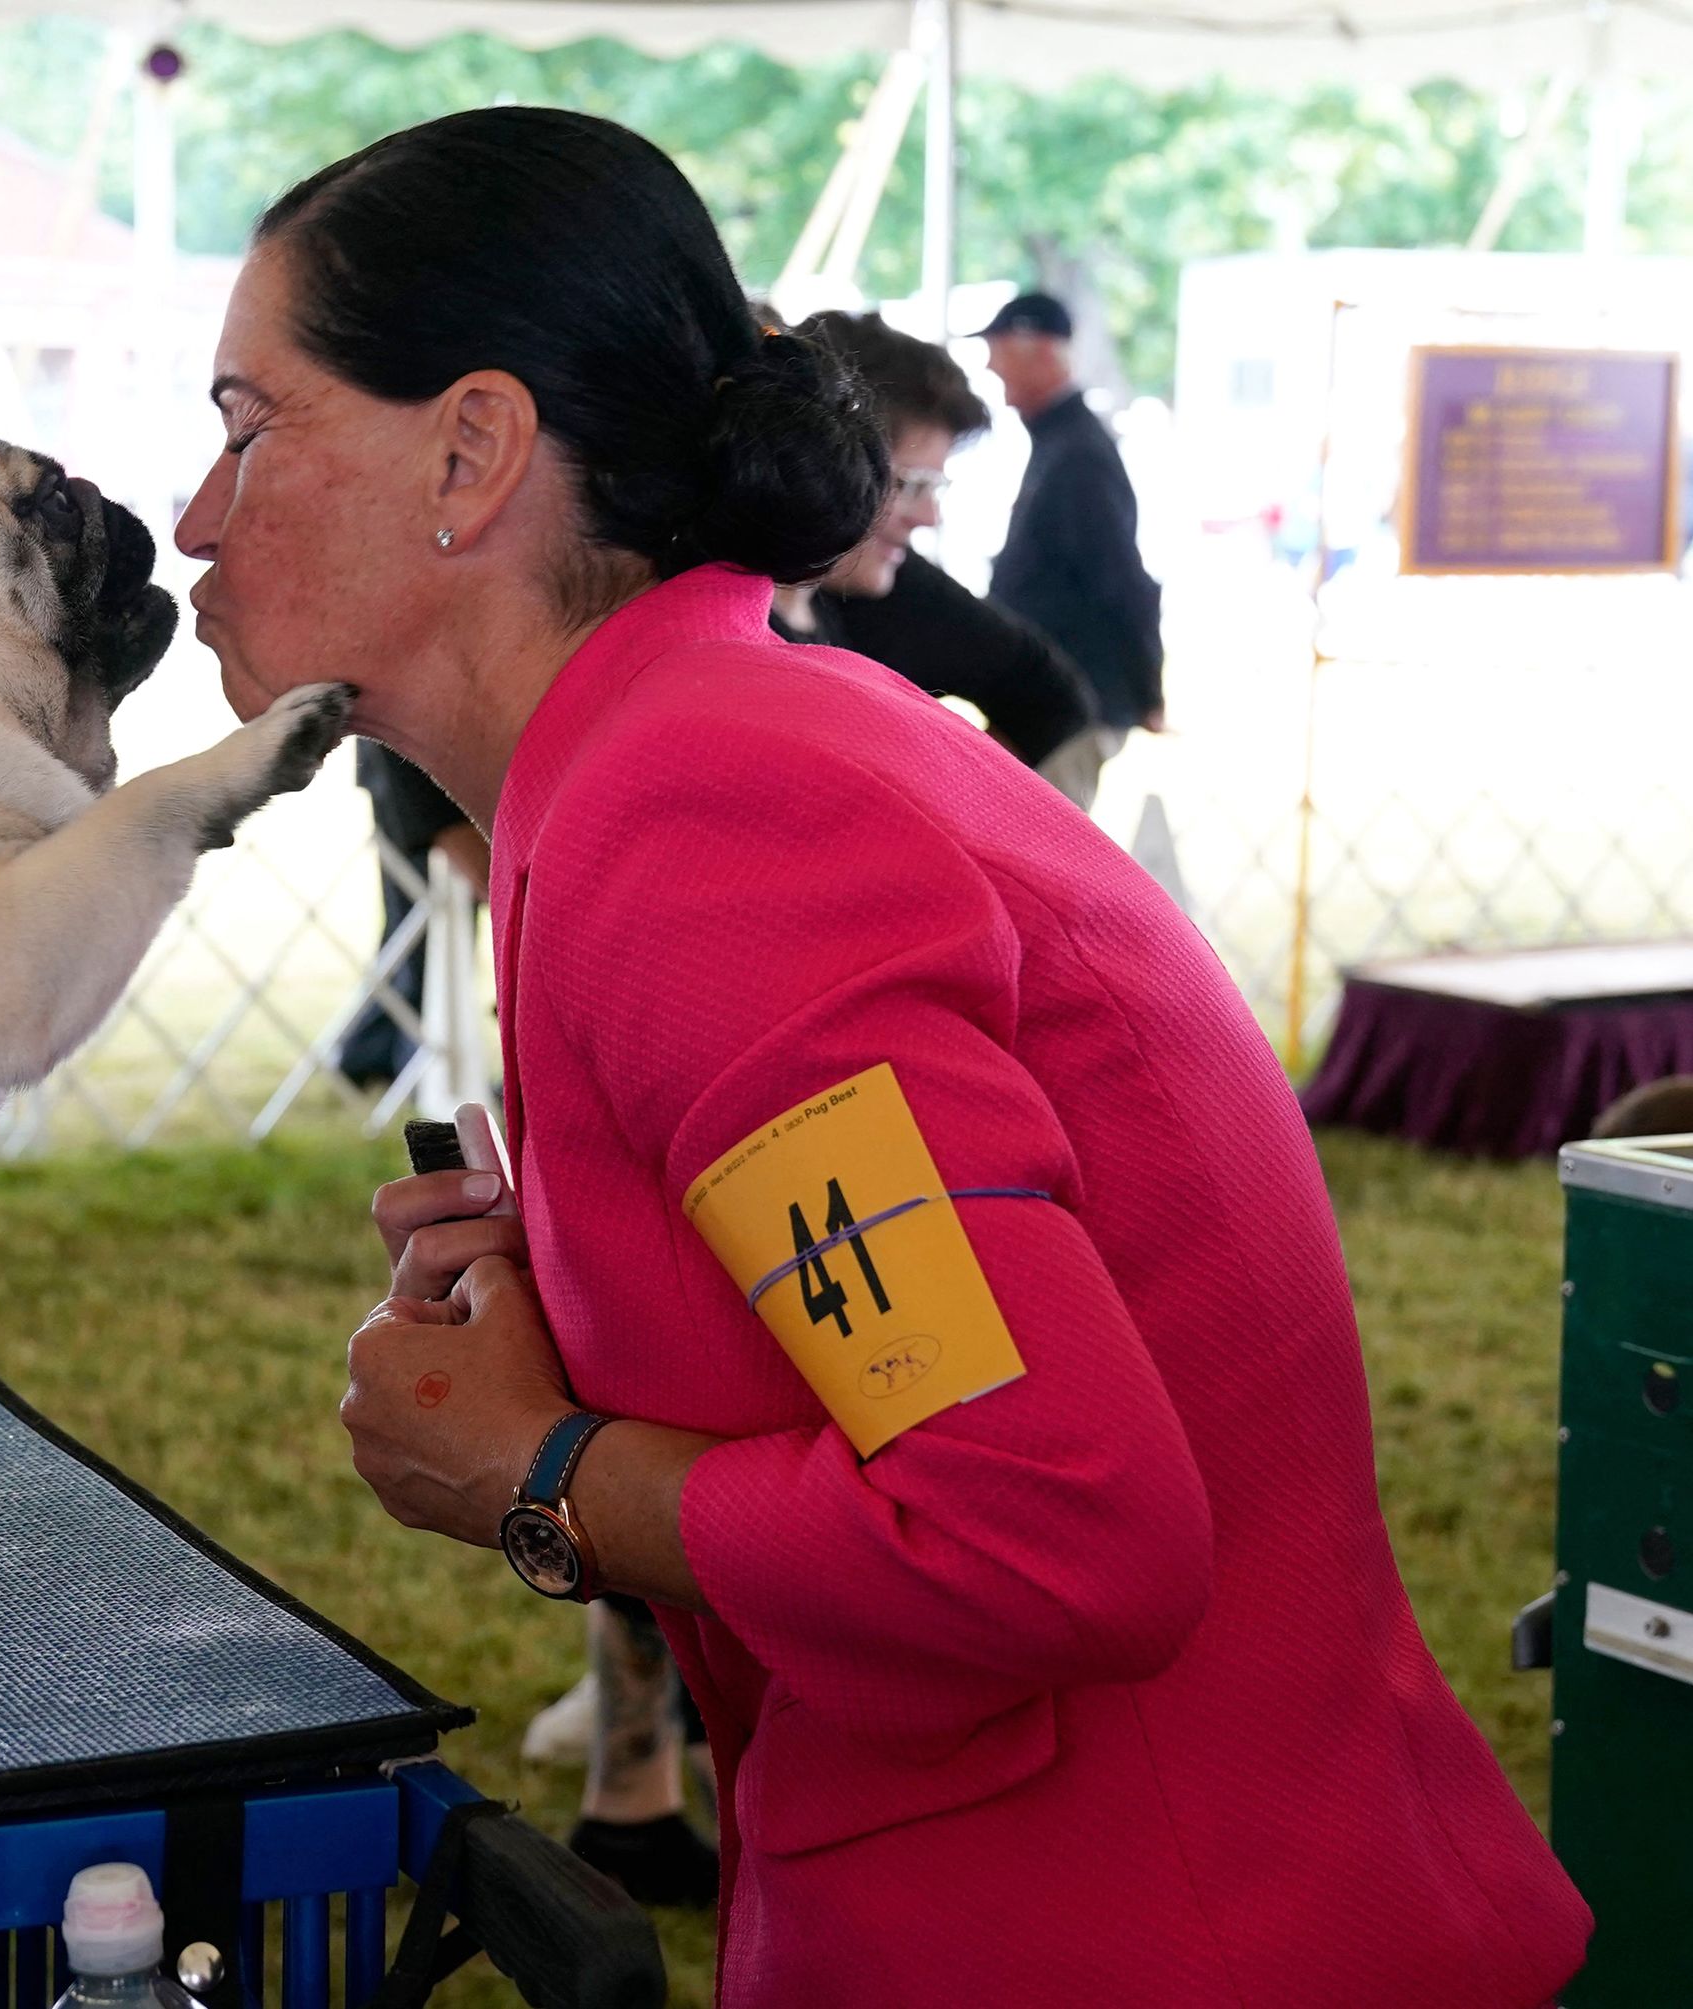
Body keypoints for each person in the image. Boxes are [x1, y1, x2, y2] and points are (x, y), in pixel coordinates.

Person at [175, 107, 1588, 2003]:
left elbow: (1054, 1529)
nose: (197, 512)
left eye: (250, 424)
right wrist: (594, 1296)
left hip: (1136, 1936)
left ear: (472, 448)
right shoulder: (683, 745)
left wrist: (547, 1466)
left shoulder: (697, 812)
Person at [769, 311, 1094, 779]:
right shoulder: (731, 617)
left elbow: (1048, 695)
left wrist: (946, 807)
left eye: (933, 490)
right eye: (910, 485)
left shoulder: (881, 588)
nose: (929, 517)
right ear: (824, 458)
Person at [977, 291, 1165, 804]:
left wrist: (1148, 689)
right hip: (1051, 699)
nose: (992, 367)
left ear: (1036, 349)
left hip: (1074, 702)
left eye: (998, 351)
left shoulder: (1079, 455)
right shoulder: (1062, 444)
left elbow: (1122, 578)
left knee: (1039, 856)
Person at [334, 741, 488, 1093]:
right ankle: (405, 1063)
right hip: (412, 773)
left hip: (437, 767)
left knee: (419, 933)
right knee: (423, 935)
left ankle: (373, 1053)